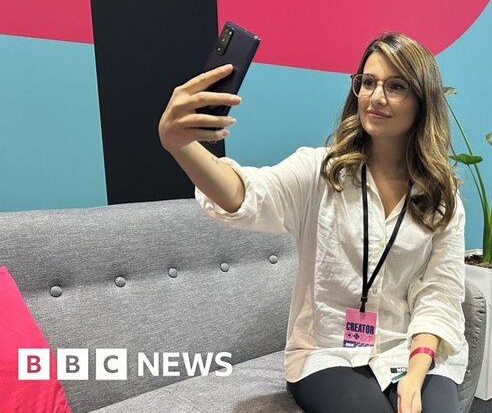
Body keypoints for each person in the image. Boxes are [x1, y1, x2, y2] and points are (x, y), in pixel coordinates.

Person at [158, 32, 466, 413]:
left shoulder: (441, 197)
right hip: (328, 351)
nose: (376, 97)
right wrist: (180, 146)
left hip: (408, 348)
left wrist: (415, 375)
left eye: (396, 86)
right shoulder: (322, 172)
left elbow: (440, 295)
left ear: (423, 101)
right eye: (368, 82)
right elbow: (245, 195)